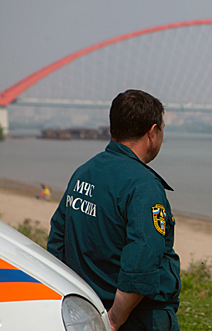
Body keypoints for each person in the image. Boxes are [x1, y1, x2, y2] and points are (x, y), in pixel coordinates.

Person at [47, 90, 180, 331]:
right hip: (136, 318)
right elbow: (141, 263)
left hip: (85, 311)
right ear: (152, 133)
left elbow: (57, 242)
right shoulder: (143, 185)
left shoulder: (84, 172)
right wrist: (115, 319)